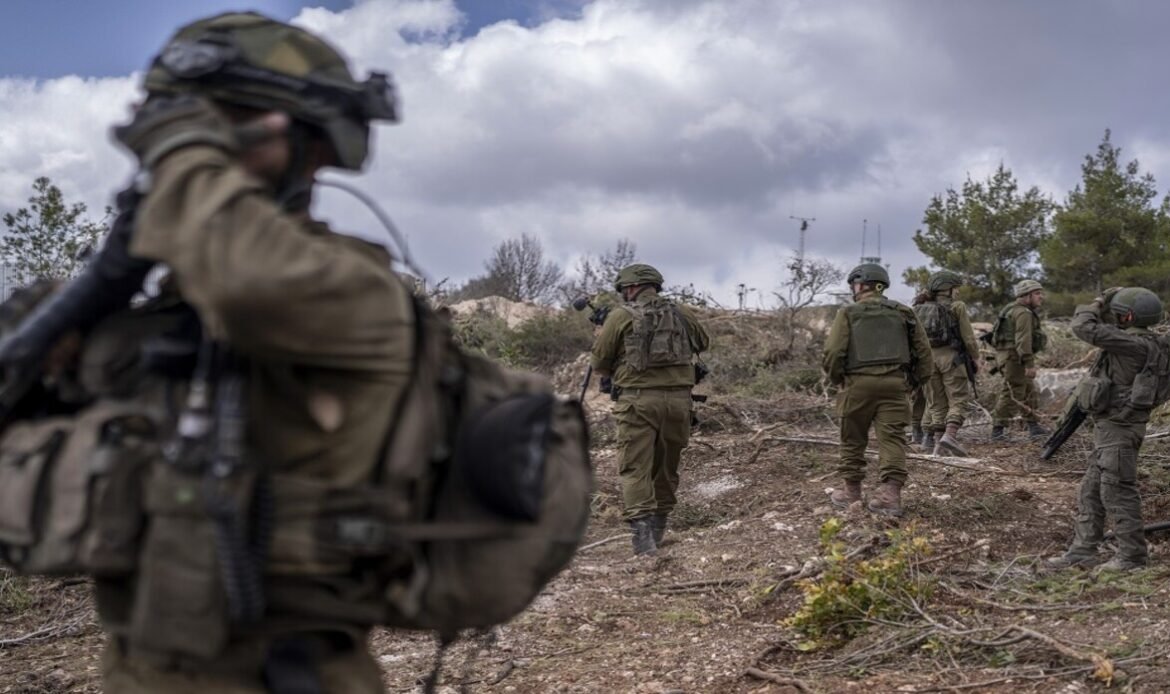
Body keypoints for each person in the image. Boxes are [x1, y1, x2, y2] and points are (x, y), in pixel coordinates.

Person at [0, 12, 408, 693]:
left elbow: (249, 283)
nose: (187, 146)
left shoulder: (357, 296)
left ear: (308, 146)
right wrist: (96, 292)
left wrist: (184, 150)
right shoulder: (152, 320)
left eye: (225, 122)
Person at [591, 264, 710, 556]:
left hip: (638, 403)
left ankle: (644, 543)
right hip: (681, 402)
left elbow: (600, 364)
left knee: (635, 467)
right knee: (667, 467)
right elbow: (703, 343)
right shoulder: (682, 312)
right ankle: (659, 531)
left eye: (624, 290)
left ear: (631, 288)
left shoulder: (620, 316)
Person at [1046, 287, 1167, 572]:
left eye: (1117, 313)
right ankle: (1083, 551)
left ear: (1126, 316)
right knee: (1091, 491)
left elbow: (1083, 326)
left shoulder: (1132, 345)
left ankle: (1132, 557)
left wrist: (1098, 302)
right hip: (1114, 428)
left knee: (1117, 492)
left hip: (1119, 429)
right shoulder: (1157, 343)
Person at [823, 264, 931, 517]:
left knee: (852, 438)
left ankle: (851, 492)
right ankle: (889, 496)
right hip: (895, 385)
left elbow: (833, 352)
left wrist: (838, 378)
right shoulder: (904, 312)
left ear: (860, 285)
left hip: (857, 384)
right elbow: (924, 353)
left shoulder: (848, 312)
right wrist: (914, 382)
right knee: (892, 438)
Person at [914, 271, 981, 456]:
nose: (958, 292)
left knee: (936, 403)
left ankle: (938, 447)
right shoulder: (957, 306)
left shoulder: (919, 308)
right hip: (951, 359)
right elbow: (968, 337)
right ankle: (950, 436)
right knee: (959, 399)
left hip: (928, 361)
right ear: (948, 289)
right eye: (956, 288)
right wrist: (976, 357)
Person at [990, 279, 1048, 441]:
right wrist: (1029, 364)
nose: (1041, 297)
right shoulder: (1023, 313)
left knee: (1029, 389)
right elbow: (1023, 340)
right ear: (1026, 296)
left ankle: (1034, 426)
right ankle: (997, 430)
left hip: (1009, 356)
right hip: (1014, 358)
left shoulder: (1010, 309)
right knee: (1011, 392)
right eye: (1037, 294)